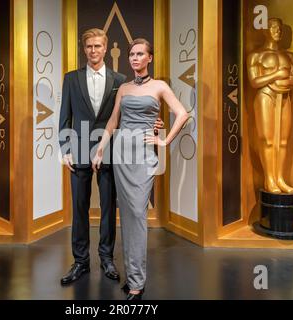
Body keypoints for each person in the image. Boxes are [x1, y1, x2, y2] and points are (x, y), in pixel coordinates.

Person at [58, 28, 165, 285]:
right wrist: (65, 149)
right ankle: (80, 262)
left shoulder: (120, 80)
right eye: (89, 47)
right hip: (80, 152)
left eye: (97, 46)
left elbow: (127, 116)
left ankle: (107, 259)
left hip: (111, 153)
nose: (93, 50)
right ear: (84, 50)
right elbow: (64, 116)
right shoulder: (71, 79)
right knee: (79, 209)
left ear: (106, 49)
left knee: (108, 209)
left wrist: (153, 124)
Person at [92, 38, 189, 300]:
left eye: (140, 54)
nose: (134, 58)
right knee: (128, 215)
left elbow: (182, 113)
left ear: (150, 58)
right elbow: (113, 121)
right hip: (121, 152)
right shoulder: (123, 88)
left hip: (143, 155)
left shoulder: (159, 86)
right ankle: (134, 278)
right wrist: (101, 148)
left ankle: (137, 283)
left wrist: (164, 140)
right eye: (132, 54)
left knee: (136, 214)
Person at [247, 18, 293, 194]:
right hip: (265, 97)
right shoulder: (256, 56)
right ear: (265, 31)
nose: (278, 31)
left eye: (280, 28)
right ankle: (269, 179)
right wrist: (277, 74)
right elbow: (254, 82)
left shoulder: (290, 56)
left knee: (283, 141)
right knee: (267, 140)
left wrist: (282, 81)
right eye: (273, 27)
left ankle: (280, 178)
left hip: (285, 98)